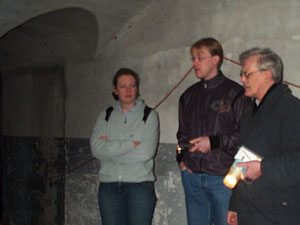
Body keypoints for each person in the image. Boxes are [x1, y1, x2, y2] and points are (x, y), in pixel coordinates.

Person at [176, 37, 250, 225]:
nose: (195, 63)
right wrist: (181, 161)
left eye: (200, 58)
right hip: (192, 177)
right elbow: (181, 135)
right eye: (193, 58)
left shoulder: (236, 94)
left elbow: (245, 138)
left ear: (216, 59)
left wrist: (213, 142)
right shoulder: (188, 95)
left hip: (223, 179)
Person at [227, 48, 300, 225]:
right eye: (241, 74)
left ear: (267, 75)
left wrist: (263, 168)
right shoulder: (250, 113)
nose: (242, 80)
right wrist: (235, 204)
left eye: (247, 74)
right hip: (249, 211)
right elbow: (242, 159)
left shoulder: (292, 110)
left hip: (278, 214)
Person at [90, 68, 159, 225]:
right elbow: (96, 149)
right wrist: (131, 144)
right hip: (109, 188)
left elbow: (146, 152)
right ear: (115, 90)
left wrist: (110, 149)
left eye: (132, 86)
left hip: (139, 187)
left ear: (137, 88)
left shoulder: (149, 115)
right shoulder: (105, 115)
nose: (128, 90)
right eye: (122, 86)